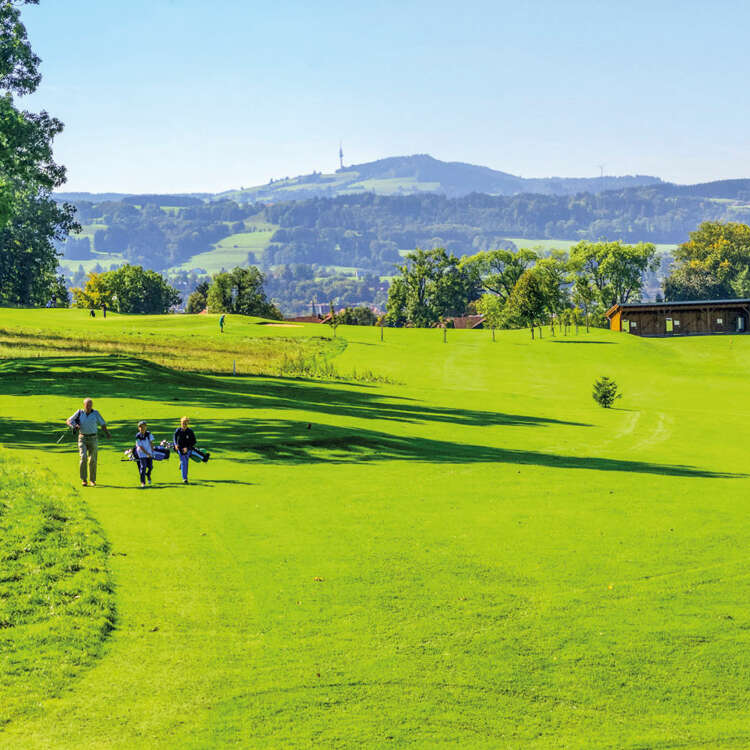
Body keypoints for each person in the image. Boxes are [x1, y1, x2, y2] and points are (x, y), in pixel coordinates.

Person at [66, 398, 111, 487]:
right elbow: (68, 421)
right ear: (84, 405)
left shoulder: (96, 413)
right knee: (83, 458)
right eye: (87, 405)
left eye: (90, 405)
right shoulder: (79, 412)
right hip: (82, 438)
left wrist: (107, 433)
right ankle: (84, 479)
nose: (89, 407)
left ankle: (92, 480)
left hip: (93, 438)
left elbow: (102, 424)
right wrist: (74, 426)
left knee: (93, 460)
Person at [173, 416, 196, 484]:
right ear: (181, 423)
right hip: (179, 448)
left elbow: (194, 441)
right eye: (183, 423)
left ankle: (182, 465)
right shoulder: (178, 430)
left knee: (185, 461)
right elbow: (174, 438)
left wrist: (187, 448)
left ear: (188, 423)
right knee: (184, 462)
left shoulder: (190, 431)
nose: (184, 425)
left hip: (188, 449)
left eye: (186, 423)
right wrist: (175, 444)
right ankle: (185, 478)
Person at [134, 420, 155, 488]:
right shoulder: (137, 436)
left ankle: (148, 475)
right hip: (141, 453)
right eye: (141, 427)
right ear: (139, 428)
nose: (143, 428)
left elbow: (151, 443)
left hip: (149, 452)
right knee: (143, 467)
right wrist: (147, 453)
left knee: (150, 467)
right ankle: (143, 482)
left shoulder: (149, 434)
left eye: (144, 427)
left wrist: (152, 451)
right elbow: (140, 446)